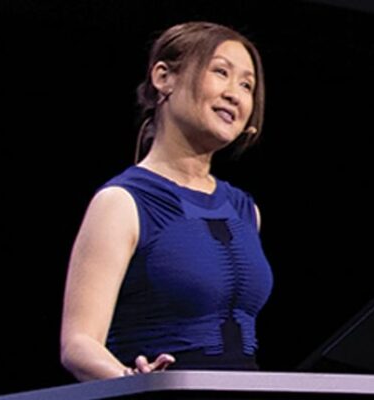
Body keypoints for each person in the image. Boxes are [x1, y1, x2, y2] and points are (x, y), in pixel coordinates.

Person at [60, 21, 272, 381]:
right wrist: (136, 382)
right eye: (221, 72)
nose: (235, 93)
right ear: (163, 77)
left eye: (247, 85)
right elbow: (79, 343)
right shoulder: (122, 202)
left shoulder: (245, 210)